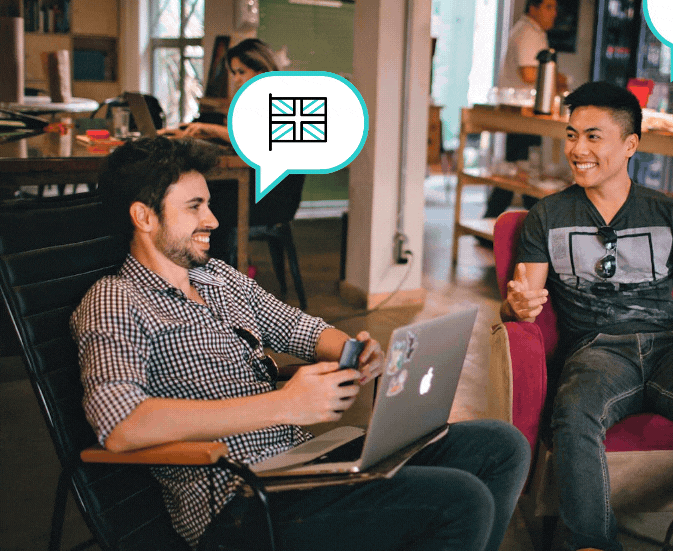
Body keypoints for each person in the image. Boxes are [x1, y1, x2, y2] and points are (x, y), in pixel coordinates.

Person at [71, 136, 530, 551]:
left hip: (302, 466)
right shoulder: (115, 299)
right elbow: (121, 424)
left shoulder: (218, 279)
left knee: (501, 445)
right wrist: (285, 406)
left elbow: (302, 330)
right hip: (239, 505)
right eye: (194, 206)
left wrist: (354, 352)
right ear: (143, 216)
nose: (212, 218)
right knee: (460, 501)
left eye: (208, 204)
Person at [500, 82, 673, 551]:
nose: (577, 150)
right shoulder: (547, 215)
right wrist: (516, 306)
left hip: (670, 346)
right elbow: (524, 296)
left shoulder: (670, 213)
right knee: (575, 410)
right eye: (571, 135)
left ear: (630, 145)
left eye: (593, 137)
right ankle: (590, 544)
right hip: (595, 350)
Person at [167, 38, 298, 266]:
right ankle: (213, 268)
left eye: (241, 72)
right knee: (205, 196)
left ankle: (218, 271)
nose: (236, 79)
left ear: (262, 71)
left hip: (272, 196)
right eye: (234, 72)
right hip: (261, 187)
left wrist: (209, 129)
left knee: (207, 202)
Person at [483, 0, 568, 221]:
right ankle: (522, 225)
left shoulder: (532, 31)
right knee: (522, 172)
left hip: (525, 113)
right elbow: (530, 74)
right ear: (533, 7)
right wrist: (560, 78)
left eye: (555, 8)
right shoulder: (528, 32)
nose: (553, 13)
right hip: (523, 114)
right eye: (548, 7)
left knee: (521, 171)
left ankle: (501, 222)